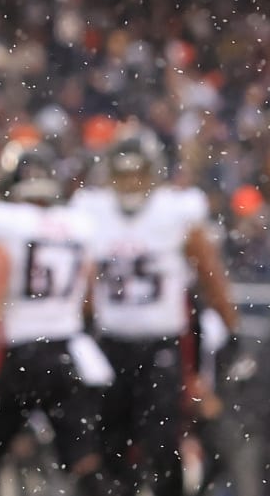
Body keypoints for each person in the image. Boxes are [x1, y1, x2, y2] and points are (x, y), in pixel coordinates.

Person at [0, 143, 110, 496]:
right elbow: (92, 299)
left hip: (19, 354)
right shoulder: (79, 224)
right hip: (69, 355)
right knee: (83, 460)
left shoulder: (5, 223)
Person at [71, 130, 238, 496]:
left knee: (161, 441)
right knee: (109, 442)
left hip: (162, 344)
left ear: (154, 172)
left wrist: (231, 324)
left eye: (138, 172)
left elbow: (210, 274)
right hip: (109, 343)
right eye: (123, 173)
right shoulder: (91, 212)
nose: (131, 182)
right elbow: (81, 283)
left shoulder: (176, 212)